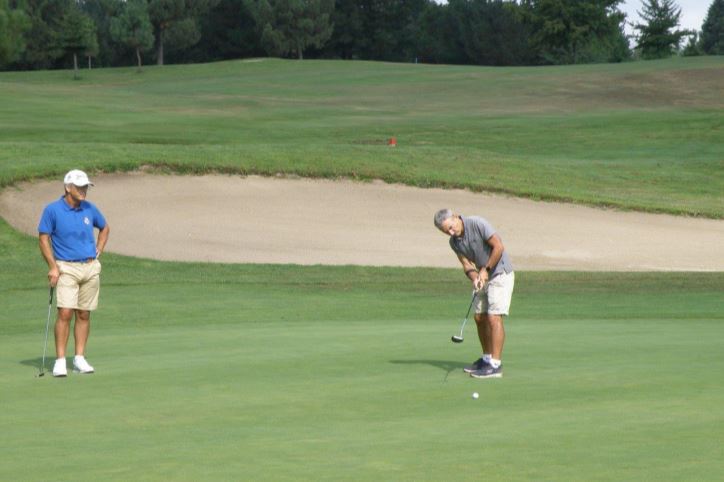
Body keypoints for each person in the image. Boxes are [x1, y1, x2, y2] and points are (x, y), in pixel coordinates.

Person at [38, 170, 110, 377]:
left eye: (86, 186)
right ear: (67, 187)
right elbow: (43, 238)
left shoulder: (89, 208)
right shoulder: (52, 210)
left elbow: (105, 228)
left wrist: (99, 249)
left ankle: (79, 358)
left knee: (84, 313)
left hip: (90, 267)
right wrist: (52, 266)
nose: (84, 190)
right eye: (79, 187)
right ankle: (60, 361)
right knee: (65, 313)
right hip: (66, 268)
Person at [434, 209, 514, 378]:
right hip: (483, 277)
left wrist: (486, 269)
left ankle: (495, 365)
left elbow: (498, 246)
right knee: (479, 317)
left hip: (500, 273)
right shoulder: (454, 242)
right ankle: (486, 359)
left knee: (494, 317)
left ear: (455, 217)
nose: (450, 232)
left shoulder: (477, 223)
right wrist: (475, 277)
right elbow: (466, 264)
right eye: (445, 231)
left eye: (450, 227)